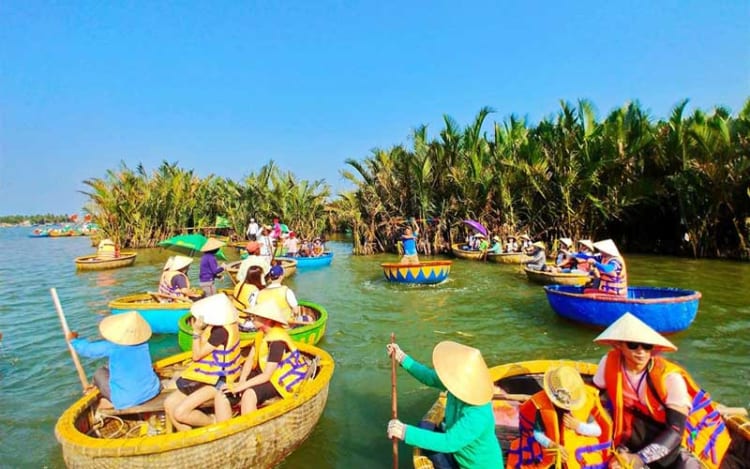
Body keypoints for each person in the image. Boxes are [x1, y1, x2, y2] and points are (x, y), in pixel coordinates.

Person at [592, 313, 731, 469]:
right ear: (619, 345)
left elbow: (675, 431)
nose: (641, 351)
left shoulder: (670, 378)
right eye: (632, 344)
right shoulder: (609, 362)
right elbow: (595, 392)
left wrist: (640, 458)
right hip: (630, 436)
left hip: (672, 444)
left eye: (646, 346)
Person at [385, 340, 503, 469]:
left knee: (428, 437)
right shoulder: (457, 385)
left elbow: (449, 442)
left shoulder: (479, 414)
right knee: (424, 427)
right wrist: (402, 358)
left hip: (475, 465)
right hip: (458, 454)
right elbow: (430, 377)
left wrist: (404, 432)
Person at [214, 301, 310, 421]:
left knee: (249, 395)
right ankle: (226, 430)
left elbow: (267, 375)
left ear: (267, 320)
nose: (252, 318)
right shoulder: (261, 334)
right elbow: (249, 360)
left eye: (256, 316)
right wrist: (241, 381)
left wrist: (241, 387)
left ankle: (250, 432)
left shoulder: (277, 342)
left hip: (278, 379)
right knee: (222, 393)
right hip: (262, 373)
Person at [507, 365, 612, 468]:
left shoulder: (582, 407)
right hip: (551, 451)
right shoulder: (542, 407)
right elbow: (537, 433)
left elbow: (597, 431)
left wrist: (578, 426)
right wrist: (551, 445)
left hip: (576, 451)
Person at [164, 294, 242, 431]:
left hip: (219, 380)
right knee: (169, 404)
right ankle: (188, 438)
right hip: (207, 376)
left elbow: (196, 355)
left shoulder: (221, 332)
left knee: (180, 413)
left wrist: (196, 332)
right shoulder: (221, 327)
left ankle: (212, 421)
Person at [68, 311, 160, 410]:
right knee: (110, 368)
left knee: (99, 373)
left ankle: (103, 396)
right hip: (153, 390)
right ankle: (101, 391)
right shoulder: (143, 344)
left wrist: (74, 340)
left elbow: (87, 349)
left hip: (127, 400)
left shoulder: (113, 347)